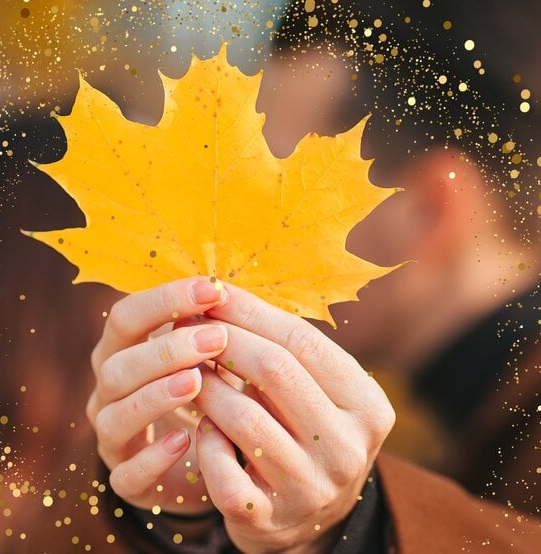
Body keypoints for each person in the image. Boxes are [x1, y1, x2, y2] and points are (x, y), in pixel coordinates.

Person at [86, 1, 541, 552]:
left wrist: (356, 529)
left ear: (428, 209)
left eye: (272, 195)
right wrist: (198, 518)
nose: (228, 235)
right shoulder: (460, 412)